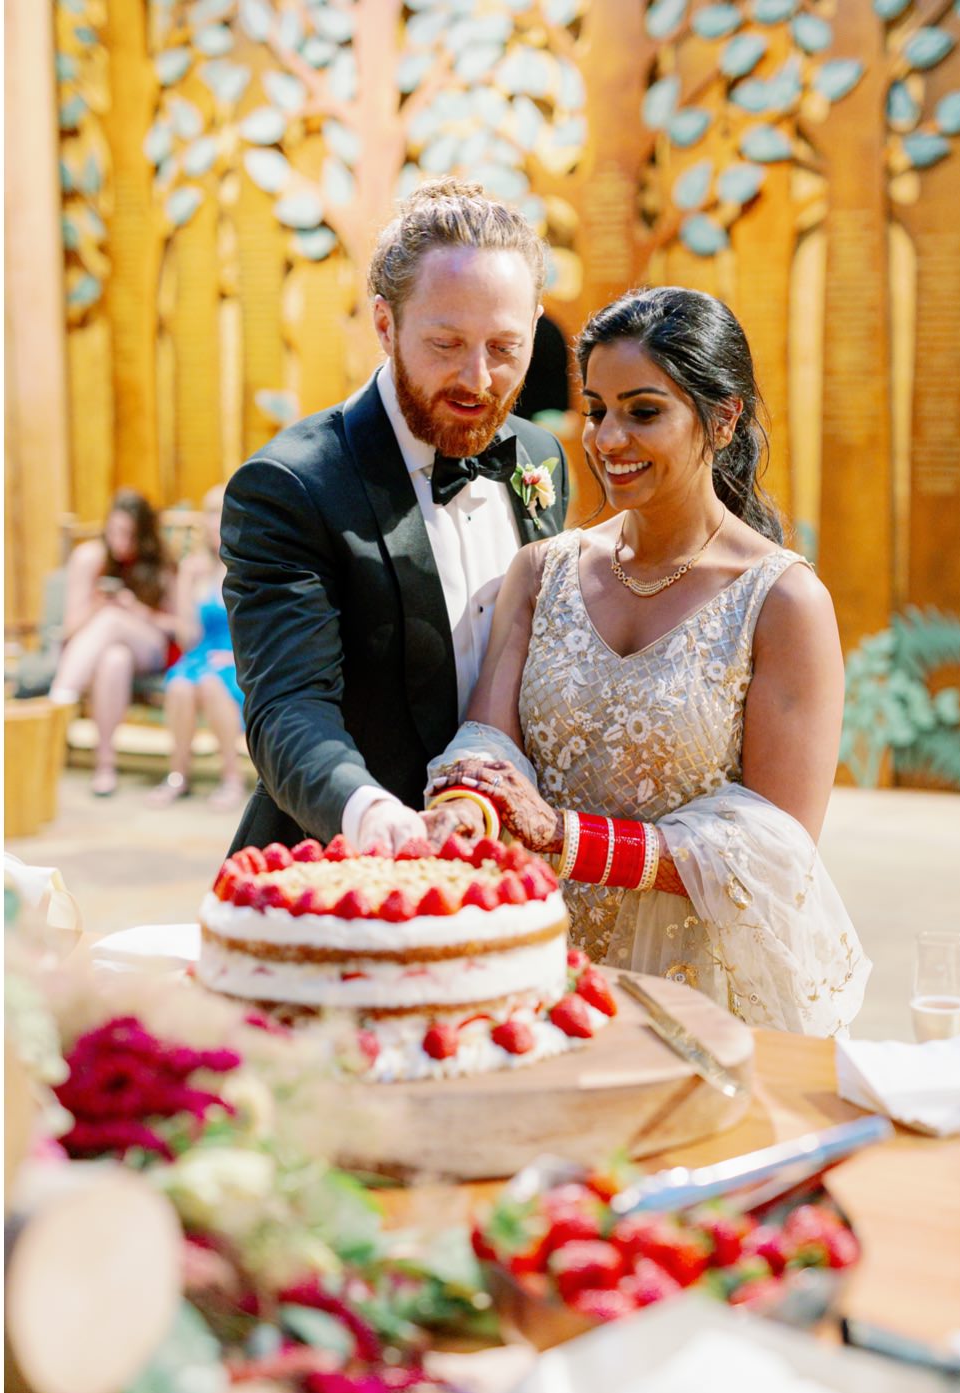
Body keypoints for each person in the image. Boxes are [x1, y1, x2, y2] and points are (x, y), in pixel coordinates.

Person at [424, 288, 867, 1034]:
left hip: (707, 1002)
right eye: (596, 409)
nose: (607, 439)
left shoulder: (783, 602)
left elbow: (770, 853)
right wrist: (465, 807)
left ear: (723, 418)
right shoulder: (542, 572)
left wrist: (564, 837)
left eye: (643, 410)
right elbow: (488, 744)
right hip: (538, 978)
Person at [224, 178, 569, 855]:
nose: (477, 378)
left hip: (505, 870)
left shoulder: (540, 456)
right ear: (385, 324)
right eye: (446, 344)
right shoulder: (290, 485)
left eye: (504, 348)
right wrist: (369, 812)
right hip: (337, 870)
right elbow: (288, 706)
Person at [47, 489, 175, 796]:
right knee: (113, 659)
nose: (120, 541)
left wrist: (135, 609)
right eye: (115, 531)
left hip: (152, 646)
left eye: (129, 534)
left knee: (114, 621)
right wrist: (98, 602)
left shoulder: (159, 562)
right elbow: (69, 628)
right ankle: (105, 766)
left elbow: (178, 628)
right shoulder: (90, 557)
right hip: (103, 650)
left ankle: (59, 698)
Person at [149, 485, 245, 808]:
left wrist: (234, 655)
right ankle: (178, 776)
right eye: (209, 512)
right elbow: (186, 638)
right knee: (178, 685)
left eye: (221, 511)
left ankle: (231, 777)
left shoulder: (247, 563)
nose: (214, 520)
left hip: (238, 657)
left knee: (210, 683)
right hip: (200, 653)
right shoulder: (196, 568)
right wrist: (186, 582)